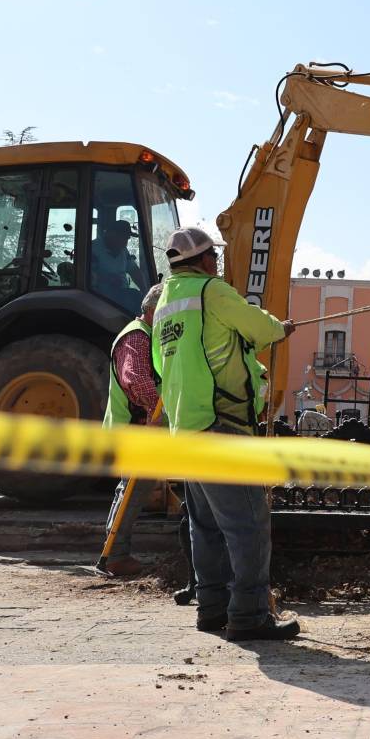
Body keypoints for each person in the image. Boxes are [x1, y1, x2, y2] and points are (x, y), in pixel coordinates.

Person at [151, 227, 299, 642]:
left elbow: (162, 370)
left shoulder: (165, 302)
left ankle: (212, 608)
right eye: (213, 258)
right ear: (202, 261)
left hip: (186, 428)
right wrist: (280, 328)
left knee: (206, 527)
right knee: (249, 524)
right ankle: (249, 615)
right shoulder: (211, 291)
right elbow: (259, 327)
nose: (217, 264)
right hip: (221, 425)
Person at [96, 284, 164, 579]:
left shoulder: (143, 335)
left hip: (138, 429)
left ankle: (113, 554)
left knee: (132, 491)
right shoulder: (137, 337)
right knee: (132, 492)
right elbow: (135, 380)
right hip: (135, 430)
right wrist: (159, 409)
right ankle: (114, 556)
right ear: (153, 311)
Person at [91, 218, 147, 312]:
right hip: (100, 297)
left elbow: (134, 271)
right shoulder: (94, 249)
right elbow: (88, 277)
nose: (125, 243)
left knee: (139, 298)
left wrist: (145, 291)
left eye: (127, 239)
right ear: (111, 234)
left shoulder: (123, 250)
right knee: (134, 297)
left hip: (122, 295)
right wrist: (108, 279)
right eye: (123, 238)